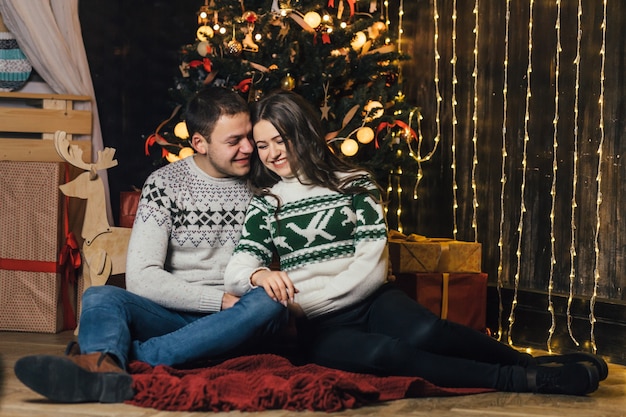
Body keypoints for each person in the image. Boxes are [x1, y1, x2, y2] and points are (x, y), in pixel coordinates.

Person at [224, 89, 607, 396]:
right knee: (387, 354)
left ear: (303, 133)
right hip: (320, 329)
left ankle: (529, 364)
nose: (272, 153)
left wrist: (303, 306)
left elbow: (371, 268)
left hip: (369, 300)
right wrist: (258, 275)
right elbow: (235, 274)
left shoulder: (355, 183)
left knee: (427, 332)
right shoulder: (266, 202)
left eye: (281, 139)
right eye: (262, 146)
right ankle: (523, 380)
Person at [14, 86, 288, 403]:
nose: (248, 148)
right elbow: (143, 277)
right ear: (199, 142)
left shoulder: (267, 181)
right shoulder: (165, 184)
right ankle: (104, 362)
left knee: (271, 303)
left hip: (241, 317)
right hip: (175, 312)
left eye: (248, 136)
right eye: (233, 141)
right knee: (100, 295)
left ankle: (122, 360)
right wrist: (218, 300)